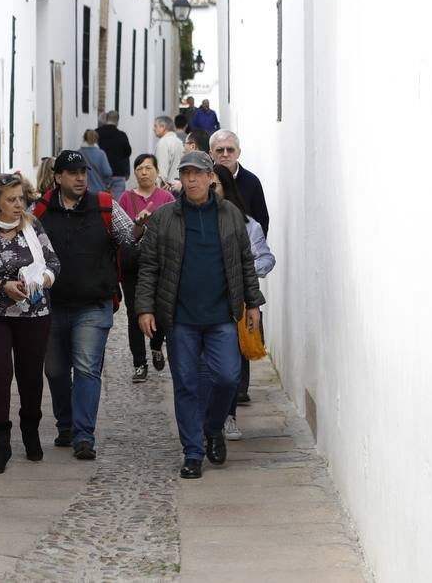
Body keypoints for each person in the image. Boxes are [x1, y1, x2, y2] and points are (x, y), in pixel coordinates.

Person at [134, 150, 264, 480]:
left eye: (197, 174)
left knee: (227, 377)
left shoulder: (231, 215)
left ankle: (212, 428)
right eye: (185, 174)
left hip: (222, 314)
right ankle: (192, 452)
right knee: (186, 385)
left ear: (210, 178)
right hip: (181, 318)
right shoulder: (165, 218)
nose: (191, 179)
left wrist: (254, 304)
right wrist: (145, 308)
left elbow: (245, 262)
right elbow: (148, 266)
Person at [35, 150, 138, 460]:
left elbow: (131, 239)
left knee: (86, 369)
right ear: (58, 177)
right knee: (54, 371)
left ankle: (83, 435)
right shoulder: (39, 212)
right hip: (52, 306)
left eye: (83, 171)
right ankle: (65, 423)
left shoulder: (106, 205)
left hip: (94, 303)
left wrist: (141, 229)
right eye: (73, 173)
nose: (80, 177)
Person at [0, 172, 62, 473]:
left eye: (21, 199)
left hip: (34, 314)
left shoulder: (32, 225)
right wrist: (0, 285)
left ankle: (31, 433)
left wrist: (40, 281)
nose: (18, 205)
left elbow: (53, 263)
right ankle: (1, 445)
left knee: (30, 376)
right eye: (11, 200)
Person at [211, 164, 275, 440]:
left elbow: (265, 258)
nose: (208, 189)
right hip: (199, 305)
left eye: (214, 185)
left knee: (229, 367)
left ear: (226, 187)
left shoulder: (248, 225)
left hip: (233, 306)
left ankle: (227, 416)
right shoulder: (185, 221)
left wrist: (245, 272)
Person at [118, 154, 174, 382]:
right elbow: (120, 235)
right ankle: (139, 363)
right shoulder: (125, 199)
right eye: (140, 168)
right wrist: (138, 225)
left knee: (160, 309)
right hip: (133, 265)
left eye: (148, 168)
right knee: (134, 313)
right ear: (134, 173)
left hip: (161, 263)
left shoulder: (167, 197)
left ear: (157, 172)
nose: (144, 172)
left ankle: (156, 345)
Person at [210, 129, 269, 235]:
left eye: (230, 150)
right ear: (211, 154)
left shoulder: (252, 182)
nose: (225, 154)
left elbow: (262, 221)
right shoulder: (203, 180)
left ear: (238, 153)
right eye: (219, 150)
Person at [95, 110, 132, 199]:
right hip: (118, 174)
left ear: (106, 119)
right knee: (117, 204)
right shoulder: (122, 135)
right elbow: (128, 152)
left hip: (100, 174)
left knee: (99, 201)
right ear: (117, 121)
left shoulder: (96, 133)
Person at [152, 115, 184, 188]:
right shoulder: (180, 142)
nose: (153, 129)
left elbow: (161, 173)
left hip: (168, 189)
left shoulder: (163, 143)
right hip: (179, 186)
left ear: (163, 127)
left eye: (155, 126)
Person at [78, 130, 112, 195]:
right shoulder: (101, 153)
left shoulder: (79, 153)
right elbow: (107, 172)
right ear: (96, 139)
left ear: (84, 138)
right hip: (99, 191)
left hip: (82, 190)